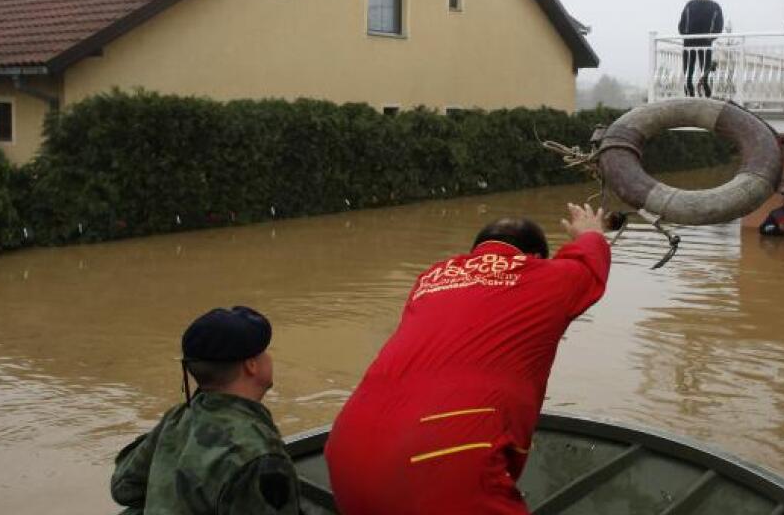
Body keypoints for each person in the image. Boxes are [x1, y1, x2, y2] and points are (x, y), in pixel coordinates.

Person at [325, 203, 611, 514]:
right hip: (441, 455)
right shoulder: (548, 276)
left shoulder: (430, 279)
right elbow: (588, 265)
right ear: (536, 258)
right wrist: (591, 233)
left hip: (346, 447)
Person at [110, 306, 300, 515]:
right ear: (251, 365)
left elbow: (124, 488)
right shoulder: (259, 454)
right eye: (264, 351)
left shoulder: (178, 418)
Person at [678, 0, 724, 98]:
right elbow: (682, 23)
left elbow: (719, 25)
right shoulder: (690, 4)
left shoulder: (715, 7)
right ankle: (689, 91)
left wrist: (711, 38)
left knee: (705, 69)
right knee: (688, 69)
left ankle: (705, 90)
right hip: (689, 43)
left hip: (705, 43)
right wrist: (685, 34)